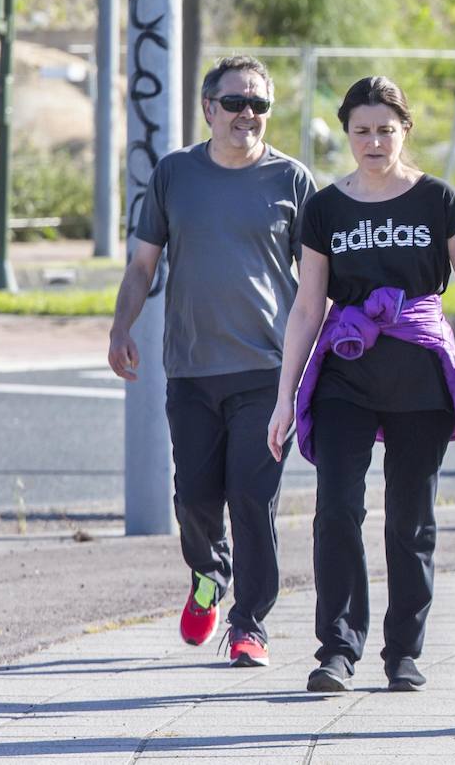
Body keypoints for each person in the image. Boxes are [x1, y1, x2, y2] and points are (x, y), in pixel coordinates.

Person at [266, 76, 455, 694]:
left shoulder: (436, 199)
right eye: (362, 130)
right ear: (347, 134)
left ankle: (403, 652)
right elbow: (307, 308)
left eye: (386, 129)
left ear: (405, 130)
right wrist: (285, 397)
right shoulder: (326, 208)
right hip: (345, 377)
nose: (374, 141)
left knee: (409, 519)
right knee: (336, 509)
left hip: (420, 381)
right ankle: (336, 649)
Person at [108, 55, 317, 666]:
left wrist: (323, 354)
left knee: (253, 499)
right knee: (196, 499)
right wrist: (121, 325)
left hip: (267, 372)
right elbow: (143, 265)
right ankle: (208, 574)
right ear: (208, 108)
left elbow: (317, 280)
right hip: (192, 371)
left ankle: (250, 625)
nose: (247, 115)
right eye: (235, 103)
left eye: (259, 105)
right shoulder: (174, 174)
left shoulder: (292, 180)